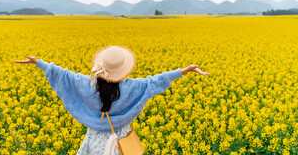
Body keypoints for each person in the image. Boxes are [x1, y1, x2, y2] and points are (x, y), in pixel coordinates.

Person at [15, 45, 209, 155]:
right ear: (122, 70)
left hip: (94, 142)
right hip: (120, 141)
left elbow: (65, 76)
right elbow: (155, 81)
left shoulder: (88, 84)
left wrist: (38, 63)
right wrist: (184, 70)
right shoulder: (131, 87)